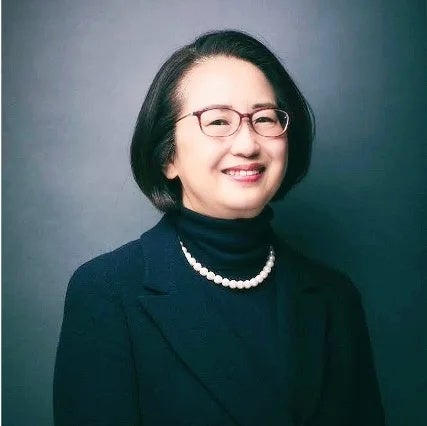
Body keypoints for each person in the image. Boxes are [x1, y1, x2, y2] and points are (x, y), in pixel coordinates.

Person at [53, 30, 385, 426]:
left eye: (264, 118)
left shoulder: (335, 297)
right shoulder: (107, 293)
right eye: (218, 121)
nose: (247, 144)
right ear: (167, 157)